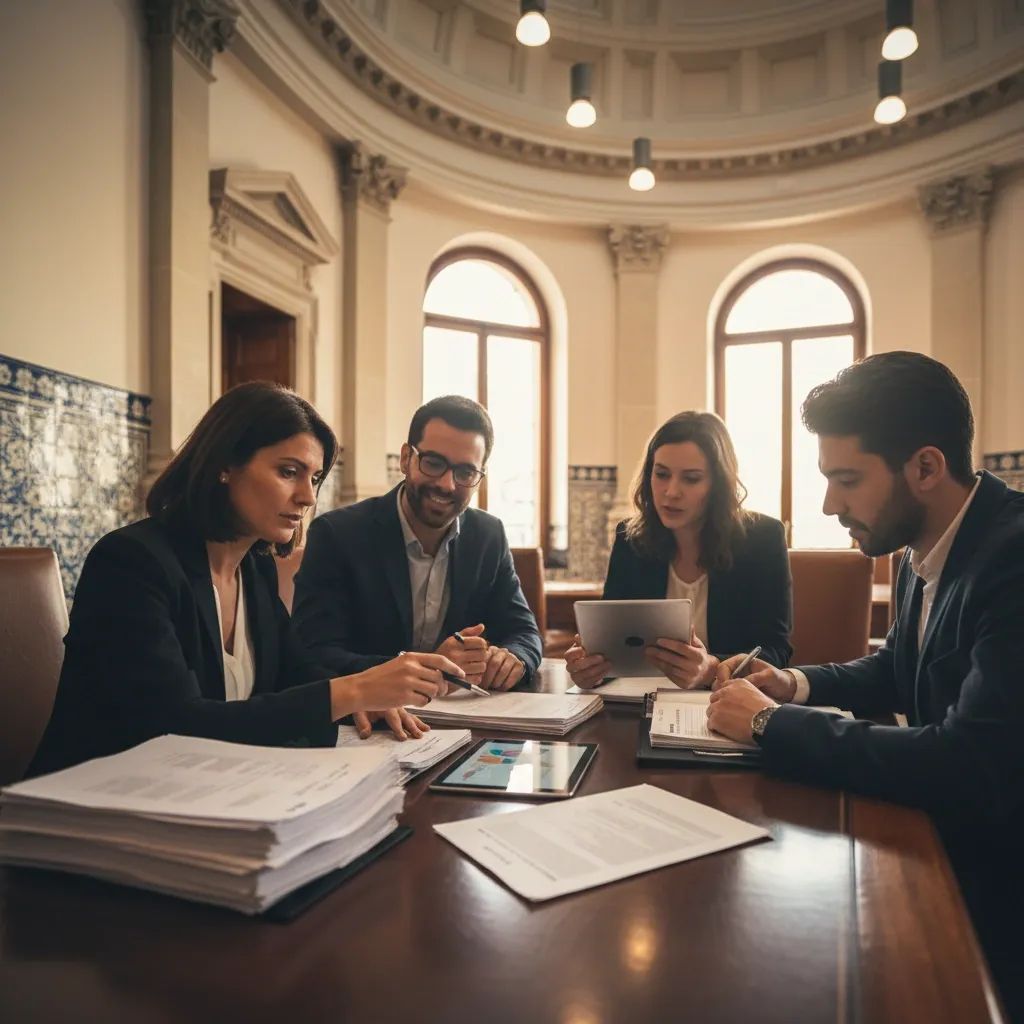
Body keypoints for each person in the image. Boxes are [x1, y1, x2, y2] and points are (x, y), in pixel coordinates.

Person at [707, 352, 1024, 1019]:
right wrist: (788, 684)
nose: (829, 505)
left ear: (926, 468)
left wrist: (769, 724)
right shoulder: (923, 547)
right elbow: (897, 673)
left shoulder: (1014, 561)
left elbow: (968, 764)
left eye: (846, 480)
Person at [29, 382, 461, 776]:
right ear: (224, 466)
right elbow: (174, 727)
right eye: (288, 472)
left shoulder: (252, 568)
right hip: (90, 817)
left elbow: (298, 674)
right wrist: (348, 693)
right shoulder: (131, 563)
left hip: (201, 795)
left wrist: (366, 701)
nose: (308, 497)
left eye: (313, 478)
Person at [292, 395, 543, 690]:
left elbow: (524, 631)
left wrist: (514, 658)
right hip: (366, 722)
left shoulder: (488, 535)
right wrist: (427, 667)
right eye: (434, 463)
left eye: (465, 472)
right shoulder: (337, 534)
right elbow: (313, 655)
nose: (447, 484)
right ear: (406, 458)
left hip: (461, 722)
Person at [566, 411, 792, 690]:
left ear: (718, 485)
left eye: (691, 479)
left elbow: (776, 652)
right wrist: (592, 668)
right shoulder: (630, 539)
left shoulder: (762, 539)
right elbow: (612, 645)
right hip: (643, 703)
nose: (671, 491)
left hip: (730, 703)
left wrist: (712, 668)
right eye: (661, 474)